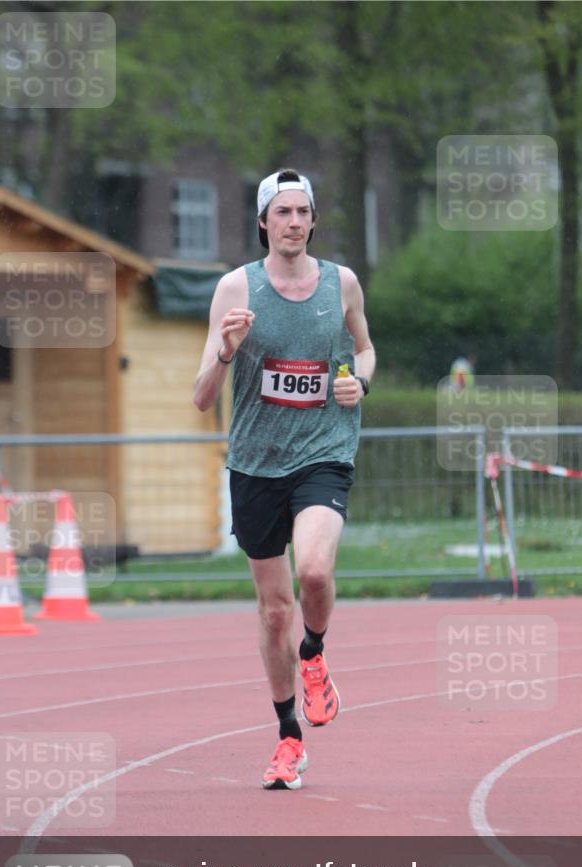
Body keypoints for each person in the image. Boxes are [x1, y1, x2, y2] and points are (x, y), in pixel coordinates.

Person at [194, 168, 375, 790]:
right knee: (274, 612)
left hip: (324, 450)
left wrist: (359, 381)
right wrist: (225, 349)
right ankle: (288, 737)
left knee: (315, 572)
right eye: (284, 212)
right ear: (264, 222)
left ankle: (316, 651)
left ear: (313, 220)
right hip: (255, 463)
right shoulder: (235, 289)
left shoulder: (340, 282)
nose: (295, 222)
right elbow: (200, 398)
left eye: (304, 212)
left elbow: (366, 348)